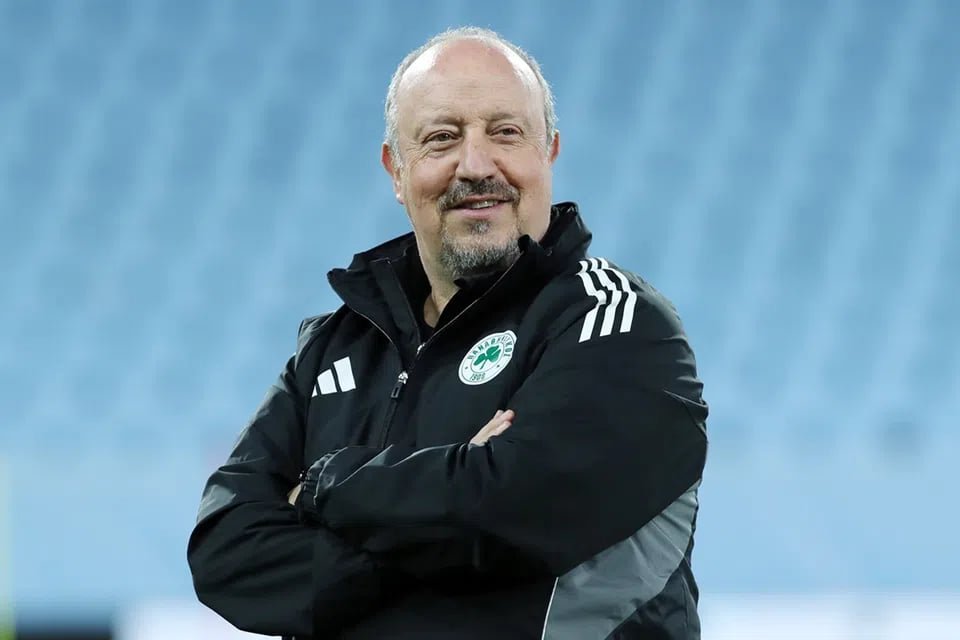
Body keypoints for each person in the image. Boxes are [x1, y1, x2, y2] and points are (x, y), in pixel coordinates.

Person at [187, 26, 708, 640]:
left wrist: (326, 486)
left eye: (506, 133)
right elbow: (225, 555)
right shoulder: (335, 346)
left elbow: (512, 511)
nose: (477, 166)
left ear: (550, 152)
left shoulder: (617, 323)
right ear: (396, 169)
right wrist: (451, 499)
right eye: (442, 138)